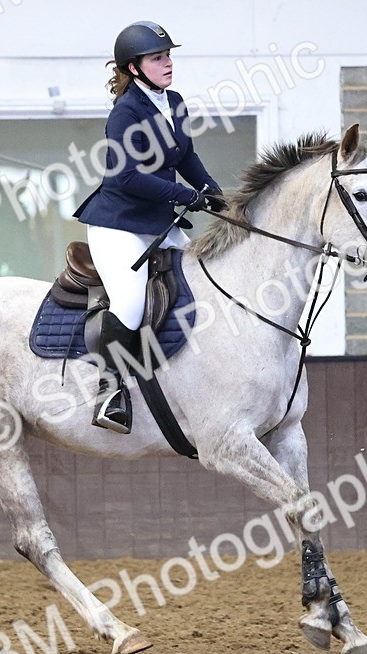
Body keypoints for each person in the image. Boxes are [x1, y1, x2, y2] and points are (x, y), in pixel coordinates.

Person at [74, 20, 226, 434]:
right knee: (129, 301)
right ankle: (109, 391)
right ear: (135, 68)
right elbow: (126, 178)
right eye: (158, 58)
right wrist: (182, 197)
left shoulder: (173, 102)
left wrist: (215, 194)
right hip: (118, 225)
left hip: (156, 221)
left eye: (169, 56)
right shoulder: (125, 113)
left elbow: (186, 159)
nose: (168, 63)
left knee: (203, 281)